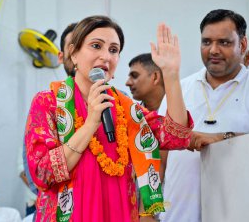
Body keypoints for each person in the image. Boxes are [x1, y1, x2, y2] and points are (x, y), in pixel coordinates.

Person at [25, 15, 194, 222]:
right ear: (73, 54)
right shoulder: (48, 103)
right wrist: (90, 125)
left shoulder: (126, 108)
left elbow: (177, 136)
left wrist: (171, 76)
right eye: (96, 46)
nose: (106, 56)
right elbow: (42, 174)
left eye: (114, 50)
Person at [158, 9, 249, 222]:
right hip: (176, 216)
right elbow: (158, 157)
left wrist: (222, 138)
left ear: (243, 45)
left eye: (224, 42)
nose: (213, 50)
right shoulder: (179, 88)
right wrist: (148, 211)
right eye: (206, 42)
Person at [18, 22, 78, 221]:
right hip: (59, 208)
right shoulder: (47, 102)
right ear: (61, 57)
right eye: (75, 47)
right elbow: (36, 172)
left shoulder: (118, 100)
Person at [126, 53, 168, 222]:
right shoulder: (129, 117)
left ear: (155, 77)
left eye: (134, 76)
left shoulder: (179, 115)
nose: (127, 82)